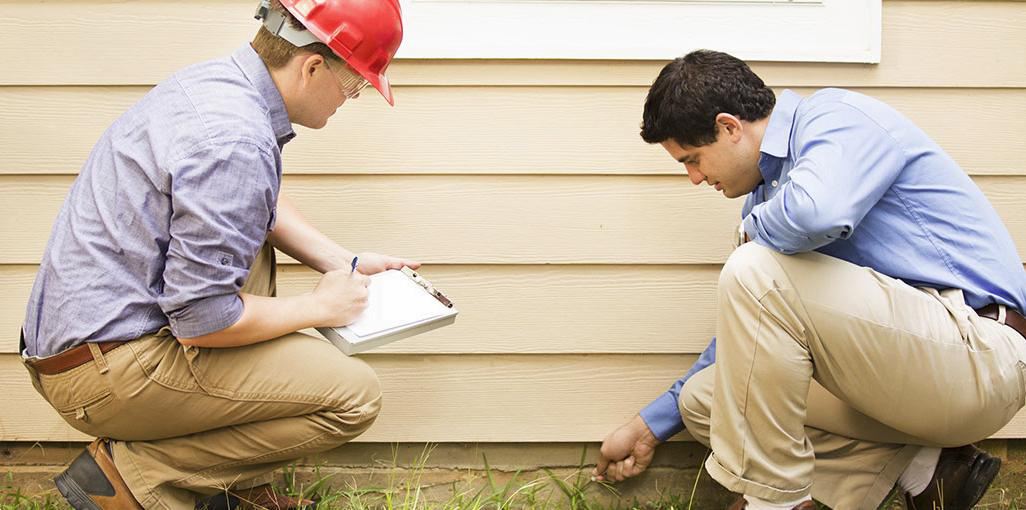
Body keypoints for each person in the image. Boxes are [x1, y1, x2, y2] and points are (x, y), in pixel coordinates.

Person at [20, 1, 414, 508]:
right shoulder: (234, 141)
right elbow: (203, 320)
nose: (352, 97)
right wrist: (320, 308)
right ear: (313, 65)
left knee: (248, 250)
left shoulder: (219, 86)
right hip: (104, 373)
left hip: (87, 344)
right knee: (354, 397)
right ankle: (132, 476)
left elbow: (252, 203)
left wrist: (343, 263)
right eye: (356, 82)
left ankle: (230, 493)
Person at [592, 50, 1026, 510]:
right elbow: (750, 341)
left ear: (729, 127)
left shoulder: (836, 121)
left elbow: (819, 213)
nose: (694, 178)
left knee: (753, 270)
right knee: (706, 399)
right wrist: (648, 426)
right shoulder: (769, 203)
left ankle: (775, 502)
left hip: (979, 355)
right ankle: (929, 471)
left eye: (693, 159)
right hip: (909, 378)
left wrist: (749, 236)